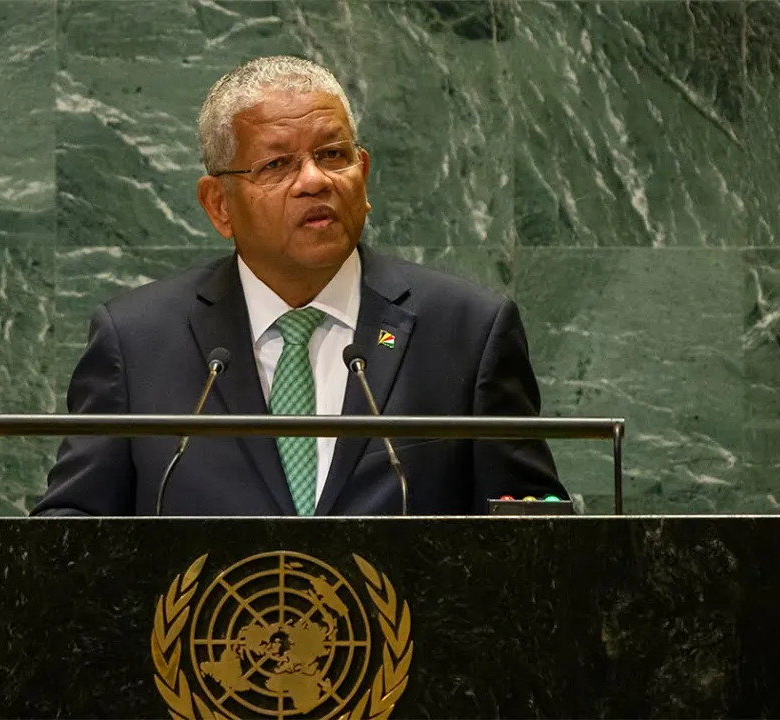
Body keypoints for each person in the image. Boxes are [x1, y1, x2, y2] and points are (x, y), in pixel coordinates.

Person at [32, 56, 566, 516]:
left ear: (363, 173)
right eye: (277, 164)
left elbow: (533, 541)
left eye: (333, 155)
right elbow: (70, 534)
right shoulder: (137, 342)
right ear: (219, 205)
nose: (314, 180)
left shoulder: (468, 332)